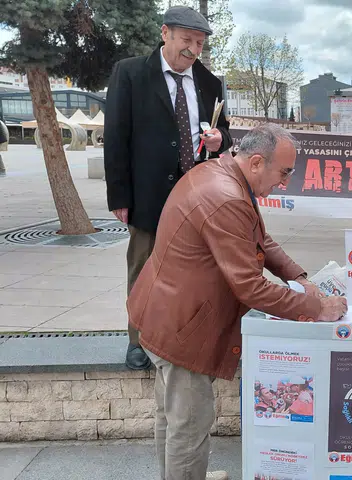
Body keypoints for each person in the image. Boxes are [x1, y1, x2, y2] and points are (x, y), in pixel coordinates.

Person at [127, 124, 348, 480]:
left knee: (172, 417)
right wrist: (317, 308)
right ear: (257, 162)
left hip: (168, 316)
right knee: (188, 427)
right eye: (285, 172)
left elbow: (259, 239)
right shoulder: (227, 197)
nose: (285, 182)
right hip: (184, 329)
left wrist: (300, 278)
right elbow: (250, 287)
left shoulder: (222, 173)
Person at [104, 6, 233, 371]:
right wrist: (120, 195)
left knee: (199, 268)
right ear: (165, 34)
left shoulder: (209, 81)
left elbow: (225, 133)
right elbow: (115, 137)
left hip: (198, 196)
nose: (193, 50)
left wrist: (219, 139)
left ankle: (188, 334)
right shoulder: (130, 73)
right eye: (187, 41)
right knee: (144, 267)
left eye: (200, 43)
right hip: (147, 192)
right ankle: (138, 340)